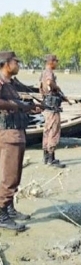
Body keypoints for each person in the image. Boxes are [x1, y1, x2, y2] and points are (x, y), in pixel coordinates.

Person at [0, 51, 41, 231]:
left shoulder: (10, 84)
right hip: (8, 134)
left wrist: (30, 109)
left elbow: (15, 105)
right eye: (16, 62)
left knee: (15, 175)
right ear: (6, 63)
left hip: (17, 132)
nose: (19, 65)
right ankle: (1, 215)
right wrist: (17, 105)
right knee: (8, 177)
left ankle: (9, 208)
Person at [39, 54, 71, 168]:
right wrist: (57, 88)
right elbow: (49, 83)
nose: (57, 63)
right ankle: (51, 159)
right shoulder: (49, 73)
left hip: (47, 107)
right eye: (56, 61)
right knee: (54, 131)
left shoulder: (44, 72)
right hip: (52, 109)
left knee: (47, 131)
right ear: (51, 62)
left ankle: (46, 157)